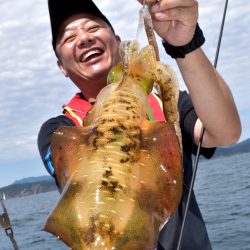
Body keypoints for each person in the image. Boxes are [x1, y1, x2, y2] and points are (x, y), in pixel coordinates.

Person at [38, 0, 241, 249]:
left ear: (119, 42)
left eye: (93, 29)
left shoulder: (166, 103)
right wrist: (128, 91)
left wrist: (184, 44)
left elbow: (225, 132)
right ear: (62, 67)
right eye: (69, 38)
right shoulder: (60, 130)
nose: (83, 39)